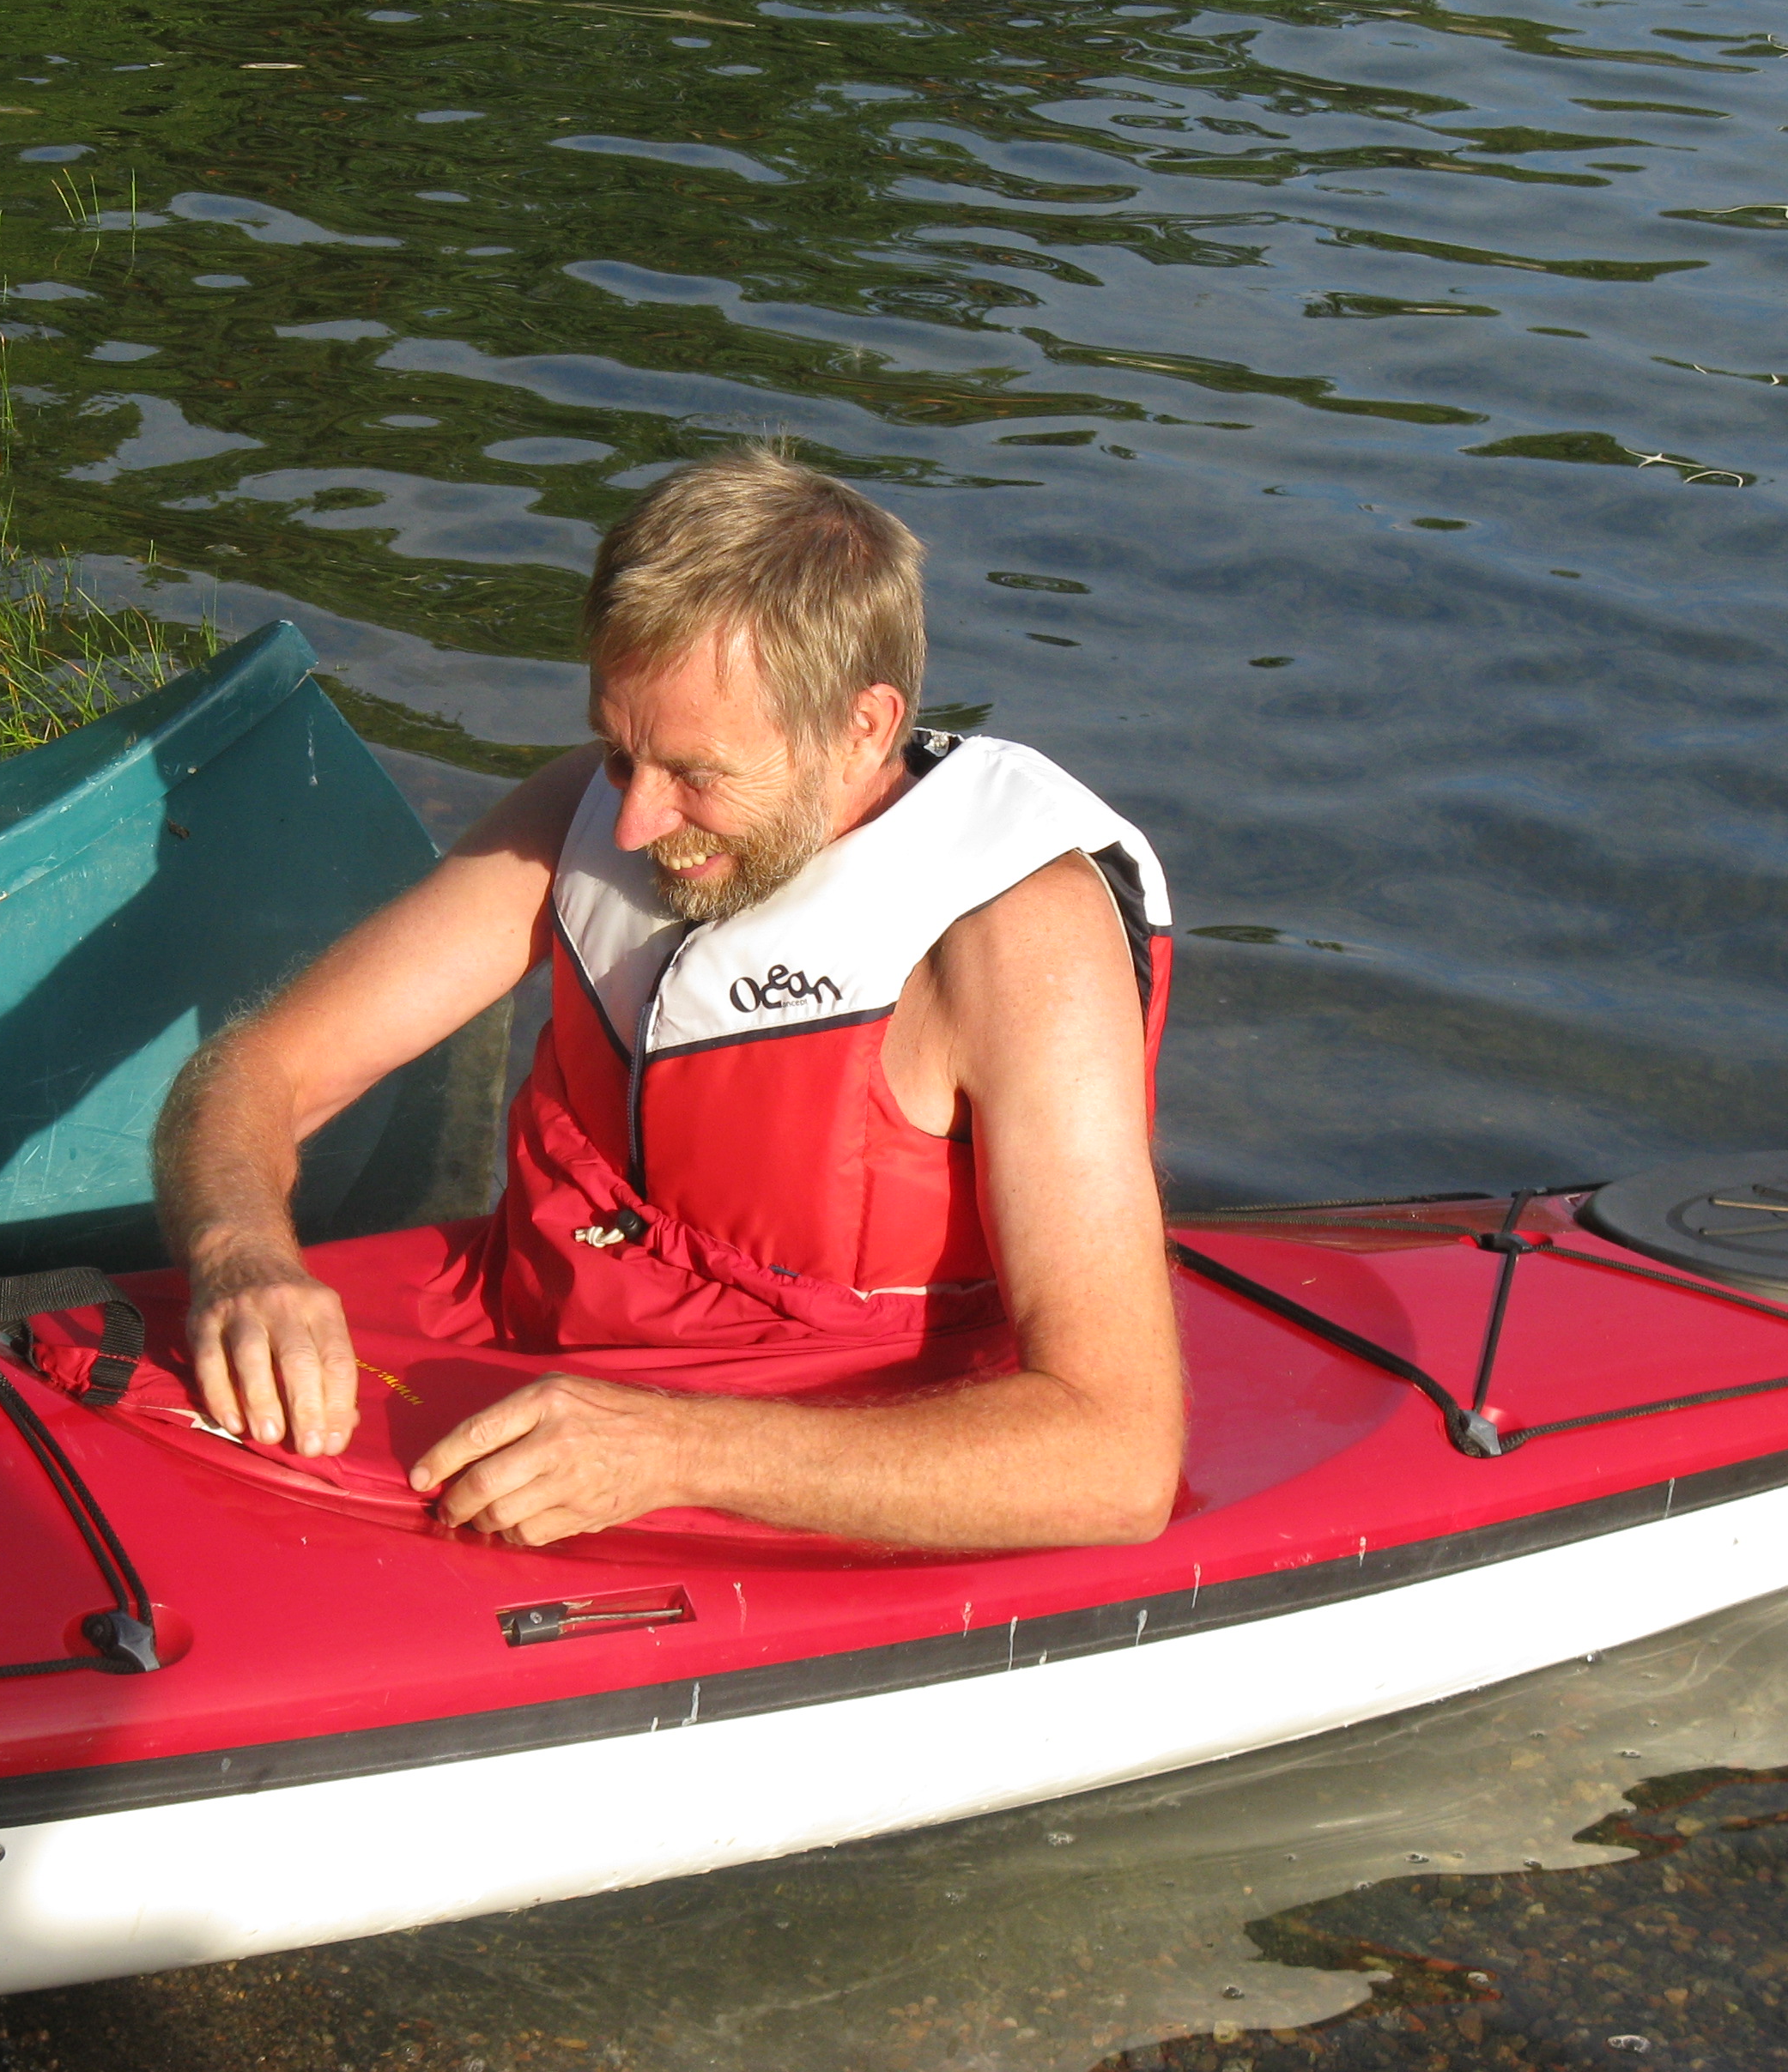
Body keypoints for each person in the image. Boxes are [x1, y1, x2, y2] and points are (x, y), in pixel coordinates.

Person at [152, 445, 1184, 1551]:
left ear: (863, 727)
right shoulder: (586, 808)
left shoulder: (1017, 941)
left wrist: (675, 1453)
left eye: (696, 774)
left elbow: (1119, 1461)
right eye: (617, 750)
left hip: (811, 1437)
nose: (635, 822)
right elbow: (259, 1069)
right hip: (518, 1332)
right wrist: (242, 1253)